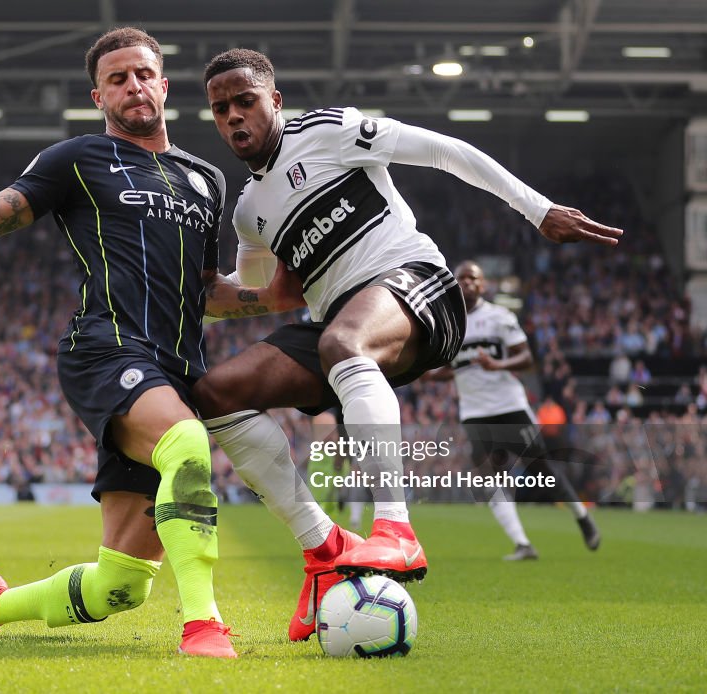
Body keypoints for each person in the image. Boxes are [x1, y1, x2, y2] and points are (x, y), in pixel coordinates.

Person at [0, 28, 304, 659]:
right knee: (186, 442)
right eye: (117, 79)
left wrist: (279, 296)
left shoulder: (207, 180)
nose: (132, 86)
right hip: (106, 350)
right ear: (97, 95)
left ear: (163, 84)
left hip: (179, 368)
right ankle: (204, 625)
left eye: (142, 74)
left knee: (119, 588)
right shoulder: (77, 159)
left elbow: (207, 290)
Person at [193, 48, 622, 641]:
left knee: (344, 342)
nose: (235, 116)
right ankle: (321, 549)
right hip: (342, 325)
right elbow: (272, 292)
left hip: (419, 288)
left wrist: (537, 208)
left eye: (246, 101)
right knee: (215, 393)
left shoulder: (328, 131)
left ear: (275, 100)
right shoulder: (248, 212)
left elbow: (444, 151)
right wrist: (196, 297)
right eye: (221, 109)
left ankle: (395, 528)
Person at [426, 261, 600, 560]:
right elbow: (444, 370)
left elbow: (525, 357)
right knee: (486, 477)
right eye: (462, 278)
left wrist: (497, 365)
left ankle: (582, 518)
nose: (467, 282)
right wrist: (436, 370)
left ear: (483, 285)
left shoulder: (499, 316)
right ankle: (522, 543)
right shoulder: (448, 324)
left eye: (473, 278)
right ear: (454, 284)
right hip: (474, 411)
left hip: (509, 405)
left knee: (540, 470)